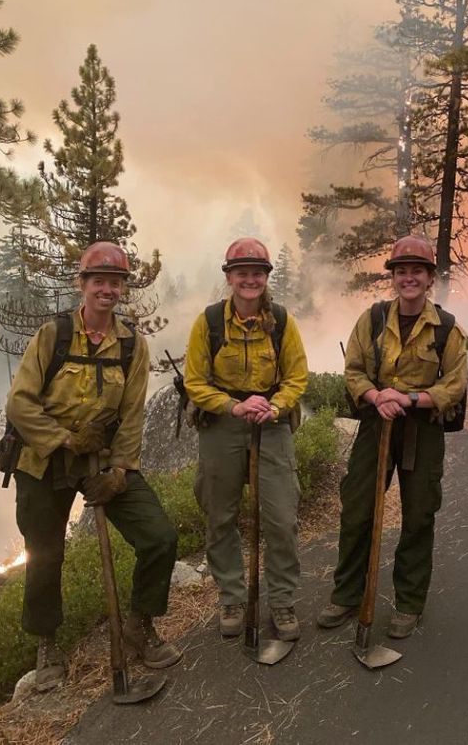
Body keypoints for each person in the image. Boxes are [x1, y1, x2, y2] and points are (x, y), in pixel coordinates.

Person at [6, 240, 182, 692]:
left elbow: (132, 414)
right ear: (82, 284)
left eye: (116, 282)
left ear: (123, 288)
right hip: (42, 460)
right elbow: (20, 404)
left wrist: (120, 471)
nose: (107, 289)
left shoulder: (131, 345)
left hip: (100, 459)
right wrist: (65, 438)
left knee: (158, 536)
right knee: (45, 554)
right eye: (98, 280)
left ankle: (139, 624)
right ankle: (48, 645)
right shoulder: (54, 335)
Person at [316, 235, 468, 639]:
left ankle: (409, 603)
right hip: (376, 424)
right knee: (358, 509)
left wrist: (411, 398)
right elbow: (354, 370)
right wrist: (376, 395)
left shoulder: (447, 329)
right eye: (401, 272)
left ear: (429, 277)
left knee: (418, 515)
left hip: (423, 430)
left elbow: (454, 385)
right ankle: (347, 595)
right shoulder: (373, 319)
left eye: (417, 271)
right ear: (394, 278)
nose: (408, 278)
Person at [184, 237, 308, 641]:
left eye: (257, 272)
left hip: (271, 421)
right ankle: (232, 597)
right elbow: (194, 382)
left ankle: (283, 600)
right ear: (229, 277)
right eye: (242, 273)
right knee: (220, 515)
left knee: (282, 517)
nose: (250, 280)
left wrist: (275, 407)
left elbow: (296, 377)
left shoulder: (283, 322)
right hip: (223, 422)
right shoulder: (209, 322)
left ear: (266, 277)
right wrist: (233, 406)